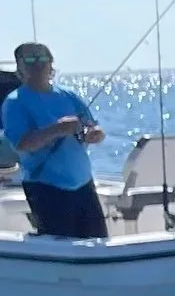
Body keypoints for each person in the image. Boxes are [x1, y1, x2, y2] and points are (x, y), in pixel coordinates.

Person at [2, 42, 106, 238]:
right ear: (20, 67)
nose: (38, 63)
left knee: (98, 241)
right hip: (47, 188)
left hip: (83, 184)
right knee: (61, 244)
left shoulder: (68, 95)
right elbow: (22, 144)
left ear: (51, 64)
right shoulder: (15, 102)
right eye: (31, 59)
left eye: (43, 58)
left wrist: (95, 134)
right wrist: (56, 129)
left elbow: (92, 126)